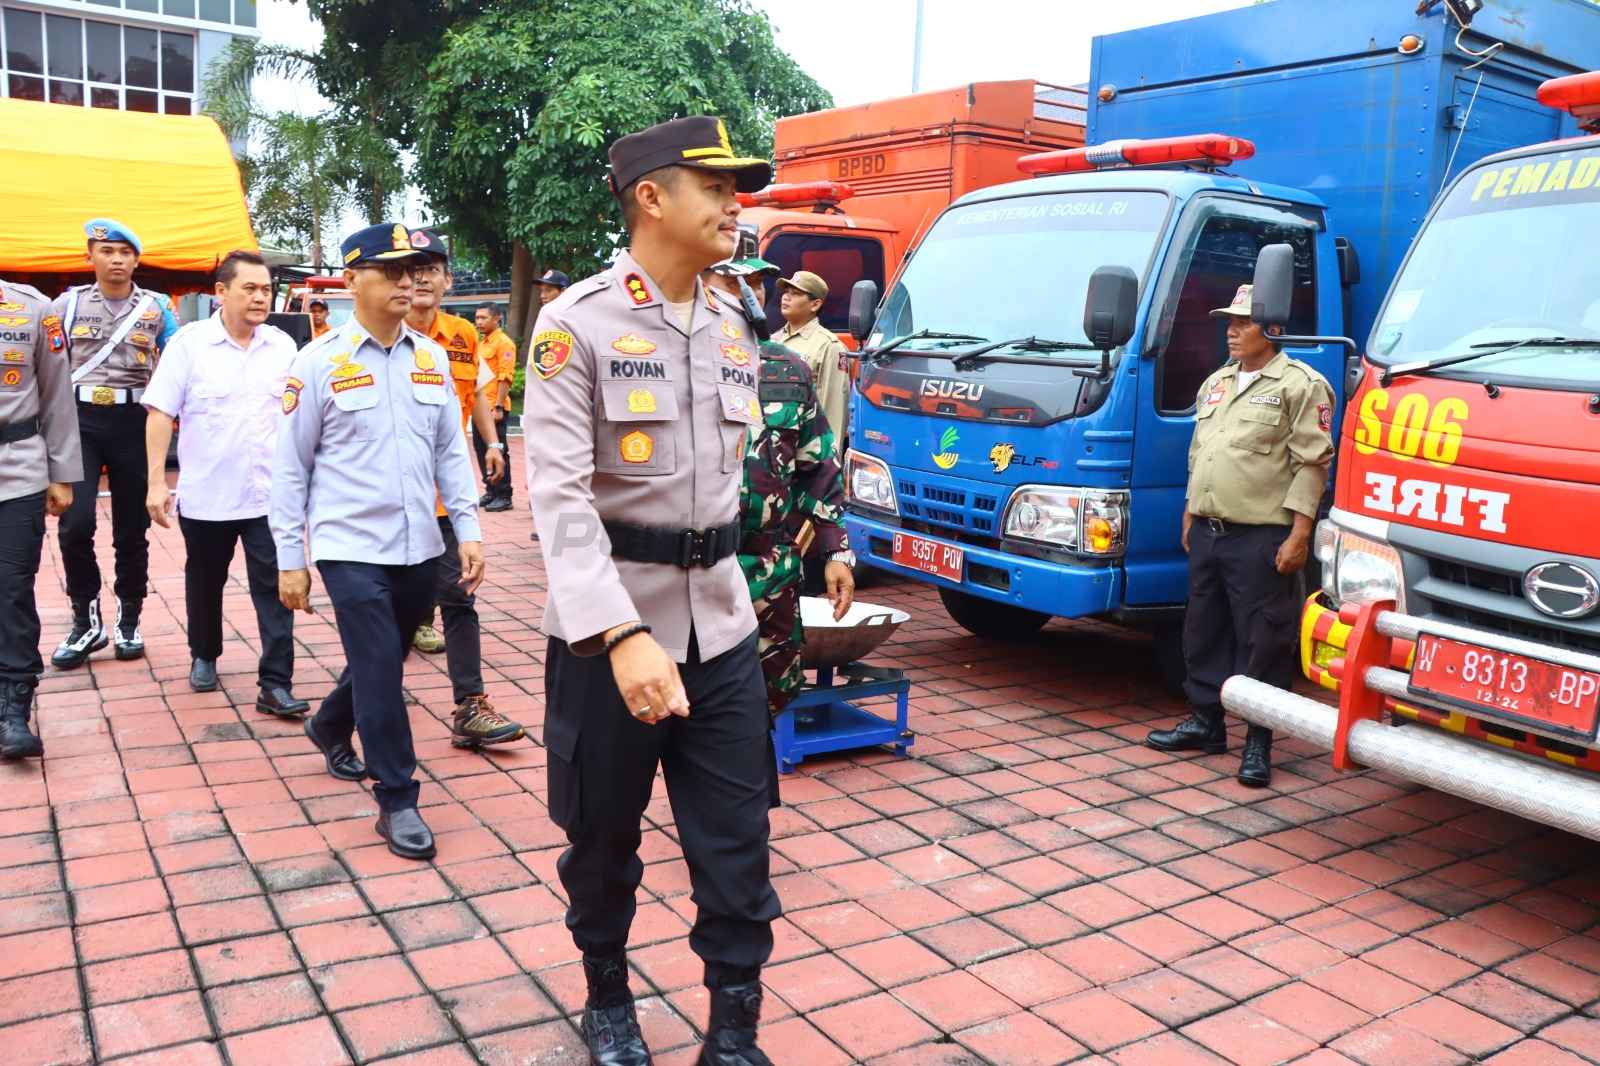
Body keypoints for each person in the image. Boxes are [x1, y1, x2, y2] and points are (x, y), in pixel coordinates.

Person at [524, 116, 778, 1066]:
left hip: (722, 629)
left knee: (736, 845)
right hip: (606, 636)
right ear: (651, 198)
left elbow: (739, 485)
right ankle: (608, 998)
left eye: (735, 187)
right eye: (714, 186)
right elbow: (556, 494)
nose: (732, 203)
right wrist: (618, 634)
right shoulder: (574, 324)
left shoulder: (733, 321)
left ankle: (733, 1031)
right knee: (600, 840)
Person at [270, 222, 484, 860]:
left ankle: (331, 722)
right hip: (349, 547)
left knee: (379, 659)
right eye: (391, 271)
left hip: (421, 544)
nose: (407, 281)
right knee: (383, 670)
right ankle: (398, 798)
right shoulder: (317, 363)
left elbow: (451, 452)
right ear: (352, 279)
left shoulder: (431, 357)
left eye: (414, 269)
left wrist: (467, 530)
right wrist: (292, 560)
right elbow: (289, 468)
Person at [1147, 283, 1335, 788]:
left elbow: (1312, 464)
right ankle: (1206, 722)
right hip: (1210, 531)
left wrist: (1300, 534)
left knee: (1263, 638)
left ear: (1271, 329)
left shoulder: (1301, 384)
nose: (1231, 331)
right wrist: (1190, 511)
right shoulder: (1216, 383)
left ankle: (1259, 738)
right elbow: (1200, 451)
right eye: (1228, 321)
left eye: (1243, 322)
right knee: (1203, 629)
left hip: (1263, 536)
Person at [143, 250, 309, 714]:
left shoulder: (283, 347)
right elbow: (160, 413)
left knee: (276, 586)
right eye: (250, 288)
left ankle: (276, 682)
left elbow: (300, 419)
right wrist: (157, 482)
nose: (261, 297)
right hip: (209, 494)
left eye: (266, 289)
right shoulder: (190, 345)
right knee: (205, 580)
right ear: (221, 292)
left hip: (270, 495)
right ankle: (205, 653)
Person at [705, 266, 856, 713]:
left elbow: (819, 468)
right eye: (731, 284)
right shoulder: (673, 364)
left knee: (765, 707)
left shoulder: (788, 369)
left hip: (770, 572)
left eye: (754, 287)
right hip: (693, 571)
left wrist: (835, 553)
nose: (746, 295)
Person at [402, 228, 523, 750]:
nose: (423, 277)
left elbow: (470, 394)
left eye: (433, 268)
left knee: (460, 596)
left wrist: (491, 443)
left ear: (448, 280)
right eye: (413, 268)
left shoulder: (462, 335)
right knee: (389, 617)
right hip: (392, 500)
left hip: (446, 494)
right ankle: (344, 712)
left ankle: (469, 705)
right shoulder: (382, 336)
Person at [51, 219, 179, 669]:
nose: (117, 259)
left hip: (134, 422)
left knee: (131, 528)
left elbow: (177, 362)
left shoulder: (157, 307)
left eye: (126, 252)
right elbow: (47, 366)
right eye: (107, 251)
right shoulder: (66, 305)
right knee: (75, 522)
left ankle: (129, 620)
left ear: (137, 259)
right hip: (77, 422)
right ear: (91, 256)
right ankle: (86, 620)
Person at [0, 277, 82, 758]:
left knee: (10, 587)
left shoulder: (33, 308)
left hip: (17, 468)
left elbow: (56, 395)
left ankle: (13, 707)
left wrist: (63, 473)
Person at [773, 270, 848, 457]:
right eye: (786, 292)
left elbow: (834, 409)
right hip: (774, 448)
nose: (786, 297)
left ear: (815, 304)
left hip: (804, 451)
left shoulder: (829, 346)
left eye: (796, 293)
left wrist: (827, 462)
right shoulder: (773, 340)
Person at [474, 303, 518, 511]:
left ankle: (504, 494)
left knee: (499, 449)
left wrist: (499, 406)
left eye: (483, 318)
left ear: (496, 319)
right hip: (480, 406)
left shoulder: (504, 343)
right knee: (481, 448)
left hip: (495, 406)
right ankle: (491, 490)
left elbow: (505, 376)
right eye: (477, 318)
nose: (479, 322)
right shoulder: (482, 344)